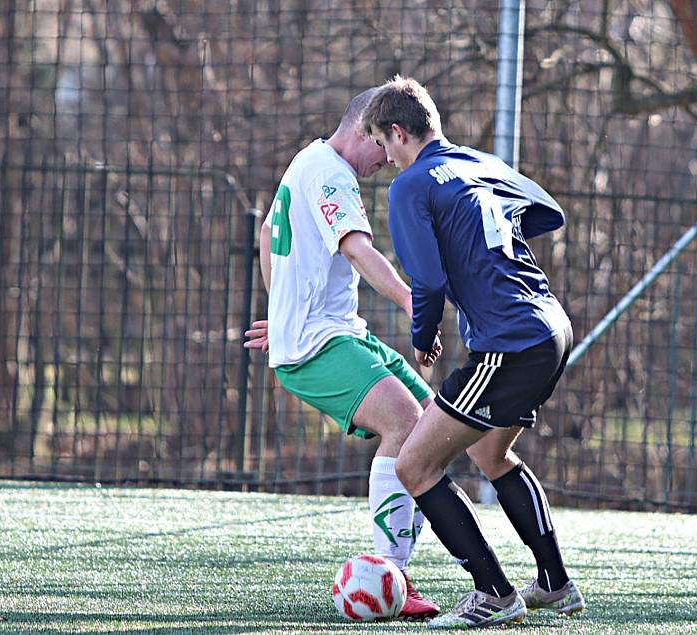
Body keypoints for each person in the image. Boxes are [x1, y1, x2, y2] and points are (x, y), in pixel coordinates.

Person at [360, 76, 585, 629]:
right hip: (552, 327)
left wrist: (421, 336)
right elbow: (546, 211)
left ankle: (494, 594)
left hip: (510, 343)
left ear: (398, 132)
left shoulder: (411, 185)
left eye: (383, 145)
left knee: (414, 464)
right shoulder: (477, 162)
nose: (385, 160)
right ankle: (555, 584)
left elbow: (427, 278)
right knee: (488, 453)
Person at [244, 88, 441, 619]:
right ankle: (389, 572)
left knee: (436, 425)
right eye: (382, 144)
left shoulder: (306, 160)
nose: (387, 159)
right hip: (315, 345)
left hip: (331, 333)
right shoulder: (331, 171)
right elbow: (358, 249)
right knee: (404, 422)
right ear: (364, 130)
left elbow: (267, 235)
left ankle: (401, 565)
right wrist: (410, 301)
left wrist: (282, 306)